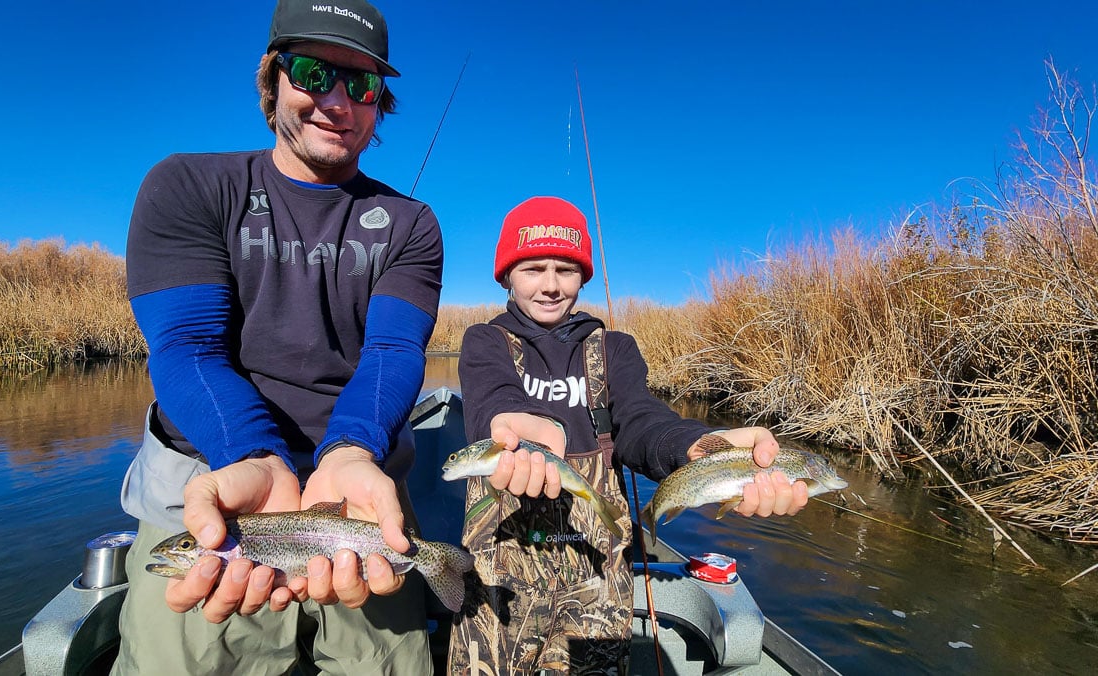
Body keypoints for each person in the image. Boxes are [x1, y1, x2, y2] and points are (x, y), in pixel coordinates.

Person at [112, 0, 444, 673]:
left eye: (362, 84)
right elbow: (187, 346)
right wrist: (254, 455)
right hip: (211, 479)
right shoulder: (187, 186)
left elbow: (392, 352)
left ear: (380, 103)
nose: (337, 101)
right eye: (312, 72)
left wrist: (352, 450)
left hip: (358, 485)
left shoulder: (411, 224)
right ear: (273, 79)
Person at [447, 196, 809, 675]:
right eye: (534, 268)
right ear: (506, 275)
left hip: (598, 584)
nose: (551, 285)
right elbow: (491, 398)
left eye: (566, 269)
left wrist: (697, 448)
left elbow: (641, 421)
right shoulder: (483, 341)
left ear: (584, 276)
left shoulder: (614, 349)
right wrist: (511, 424)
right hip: (499, 588)